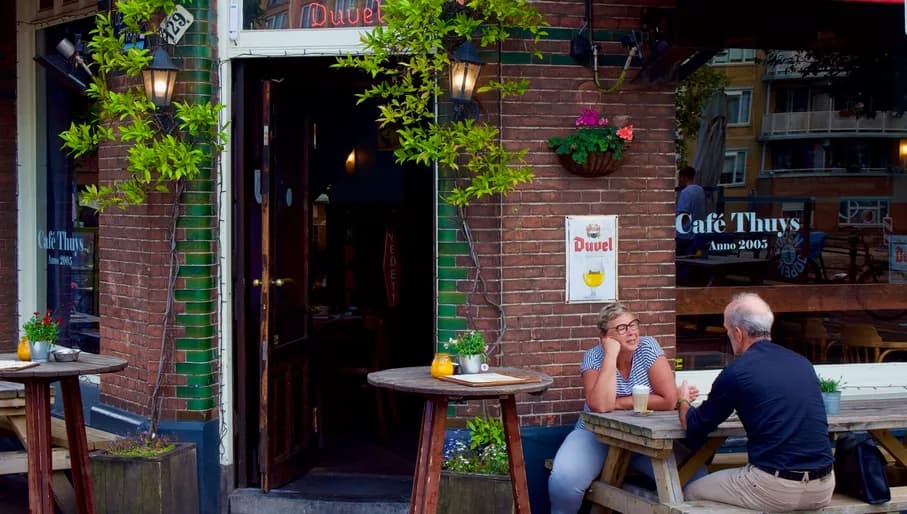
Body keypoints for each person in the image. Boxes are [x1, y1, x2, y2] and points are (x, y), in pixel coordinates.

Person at [677, 292, 835, 511]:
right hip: (824, 486)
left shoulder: (737, 372)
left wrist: (683, 398)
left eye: (727, 330)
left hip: (774, 487)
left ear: (738, 333)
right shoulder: (802, 364)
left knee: (689, 491)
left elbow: (694, 426)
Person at [548, 303, 684, 514]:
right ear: (605, 337)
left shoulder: (648, 347)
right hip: (595, 435)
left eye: (633, 324)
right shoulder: (593, 356)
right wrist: (611, 355)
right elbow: (600, 406)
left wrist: (620, 402)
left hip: (645, 437)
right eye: (621, 328)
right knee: (564, 480)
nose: (631, 332)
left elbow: (668, 400)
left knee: (693, 476)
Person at [676, 165, 706, 256]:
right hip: (696, 234)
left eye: (679, 178)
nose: (678, 181)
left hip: (684, 236)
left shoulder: (685, 192)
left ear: (684, 177)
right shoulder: (700, 190)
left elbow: (683, 215)